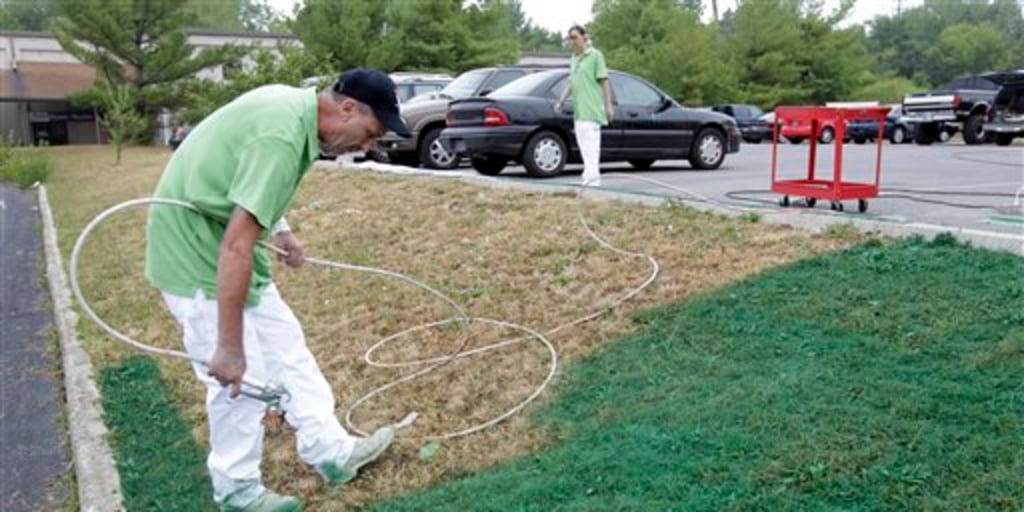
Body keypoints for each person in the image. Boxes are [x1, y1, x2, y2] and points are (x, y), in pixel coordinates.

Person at [144, 68, 412, 512]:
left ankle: (331, 451)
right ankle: (237, 490)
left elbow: (247, 179)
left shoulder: (297, 114)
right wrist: (228, 347)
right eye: (370, 133)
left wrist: (281, 228)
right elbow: (236, 246)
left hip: (221, 235)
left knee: (288, 349)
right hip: (197, 253)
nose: (368, 146)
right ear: (346, 109)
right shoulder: (284, 138)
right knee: (243, 381)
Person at [554, 24, 614, 187]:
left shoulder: (595, 56)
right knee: (583, 146)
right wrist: (561, 100)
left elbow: (604, 80)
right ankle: (588, 176)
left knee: (591, 146)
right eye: (570, 38)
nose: (572, 41)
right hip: (579, 111)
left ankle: (593, 179)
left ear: (584, 37)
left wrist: (608, 105)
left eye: (575, 37)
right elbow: (571, 83)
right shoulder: (574, 58)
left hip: (592, 109)